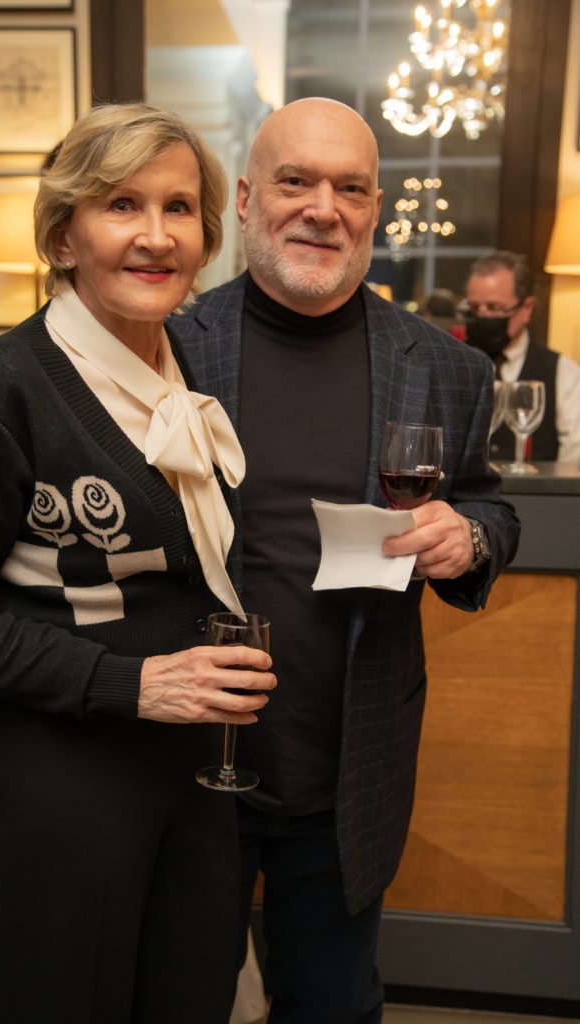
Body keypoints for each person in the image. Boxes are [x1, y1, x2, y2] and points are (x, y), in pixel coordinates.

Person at [0, 102, 276, 1024]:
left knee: (186, 999)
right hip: (70, 773)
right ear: (64, 235)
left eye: (179, 208)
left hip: (192, 768)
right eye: (120, 205)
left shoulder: (182, 363)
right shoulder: (1, 391)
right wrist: (133, 684)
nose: (155, 237)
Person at [168, 97, 521, 1023]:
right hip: (184, 756)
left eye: (350, 188)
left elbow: (487, 501)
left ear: (373, 210)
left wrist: (468, 536)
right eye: (295, 181)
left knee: (331, 1004)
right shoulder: (165, 343)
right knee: (174, 997)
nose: (322, 208)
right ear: (245, 199)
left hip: (349, 760)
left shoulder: (445, 367)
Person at [461, 250, 580, 464]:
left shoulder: (563, 372)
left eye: (494, 308)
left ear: (526, 308)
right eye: (474, 308)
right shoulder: (451, 364)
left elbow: (574, 455)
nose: (483, 316)